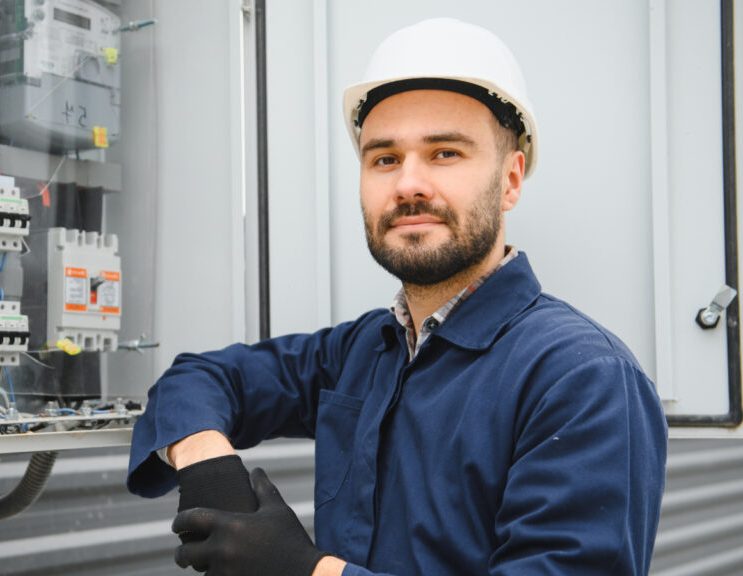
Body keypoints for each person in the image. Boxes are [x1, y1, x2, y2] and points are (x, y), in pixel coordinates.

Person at [126, 17, 668, 576]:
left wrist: (308, 571)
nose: (408, 184)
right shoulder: (364, 350)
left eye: (445, 153)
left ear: (510, 180)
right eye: (384, 158)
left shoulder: (583, 378)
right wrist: (209, 467)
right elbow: (196, 379)